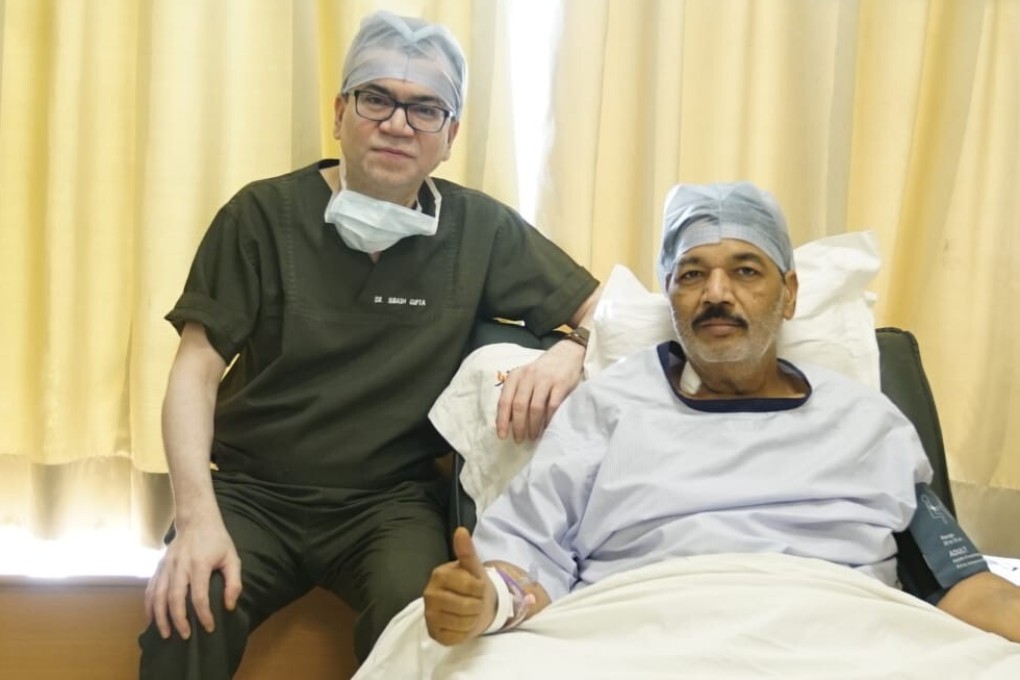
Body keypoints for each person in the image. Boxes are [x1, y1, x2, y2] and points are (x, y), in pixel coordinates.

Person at [138, 10, 600, 678]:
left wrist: (572, 350)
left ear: (451, 135)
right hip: (253, 492)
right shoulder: (262, 217)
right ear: (339, 112)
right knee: (187, 607)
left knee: (426, 627)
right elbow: (195, 369)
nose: (397, 123)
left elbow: (609, 312)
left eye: (425, 109)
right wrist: (196, 516)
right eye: (376, 98)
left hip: (387, 506)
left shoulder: (480, 231)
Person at [422, 181, 1020, 647]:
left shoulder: (868, 423)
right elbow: (524, 557)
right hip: (635, 637)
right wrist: (485, 603)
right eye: (691, 275)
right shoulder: (608, 408)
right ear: (672, 297)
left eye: (745, 270)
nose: (715, 293)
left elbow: (960, 581)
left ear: (789, 294)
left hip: (843, 634)